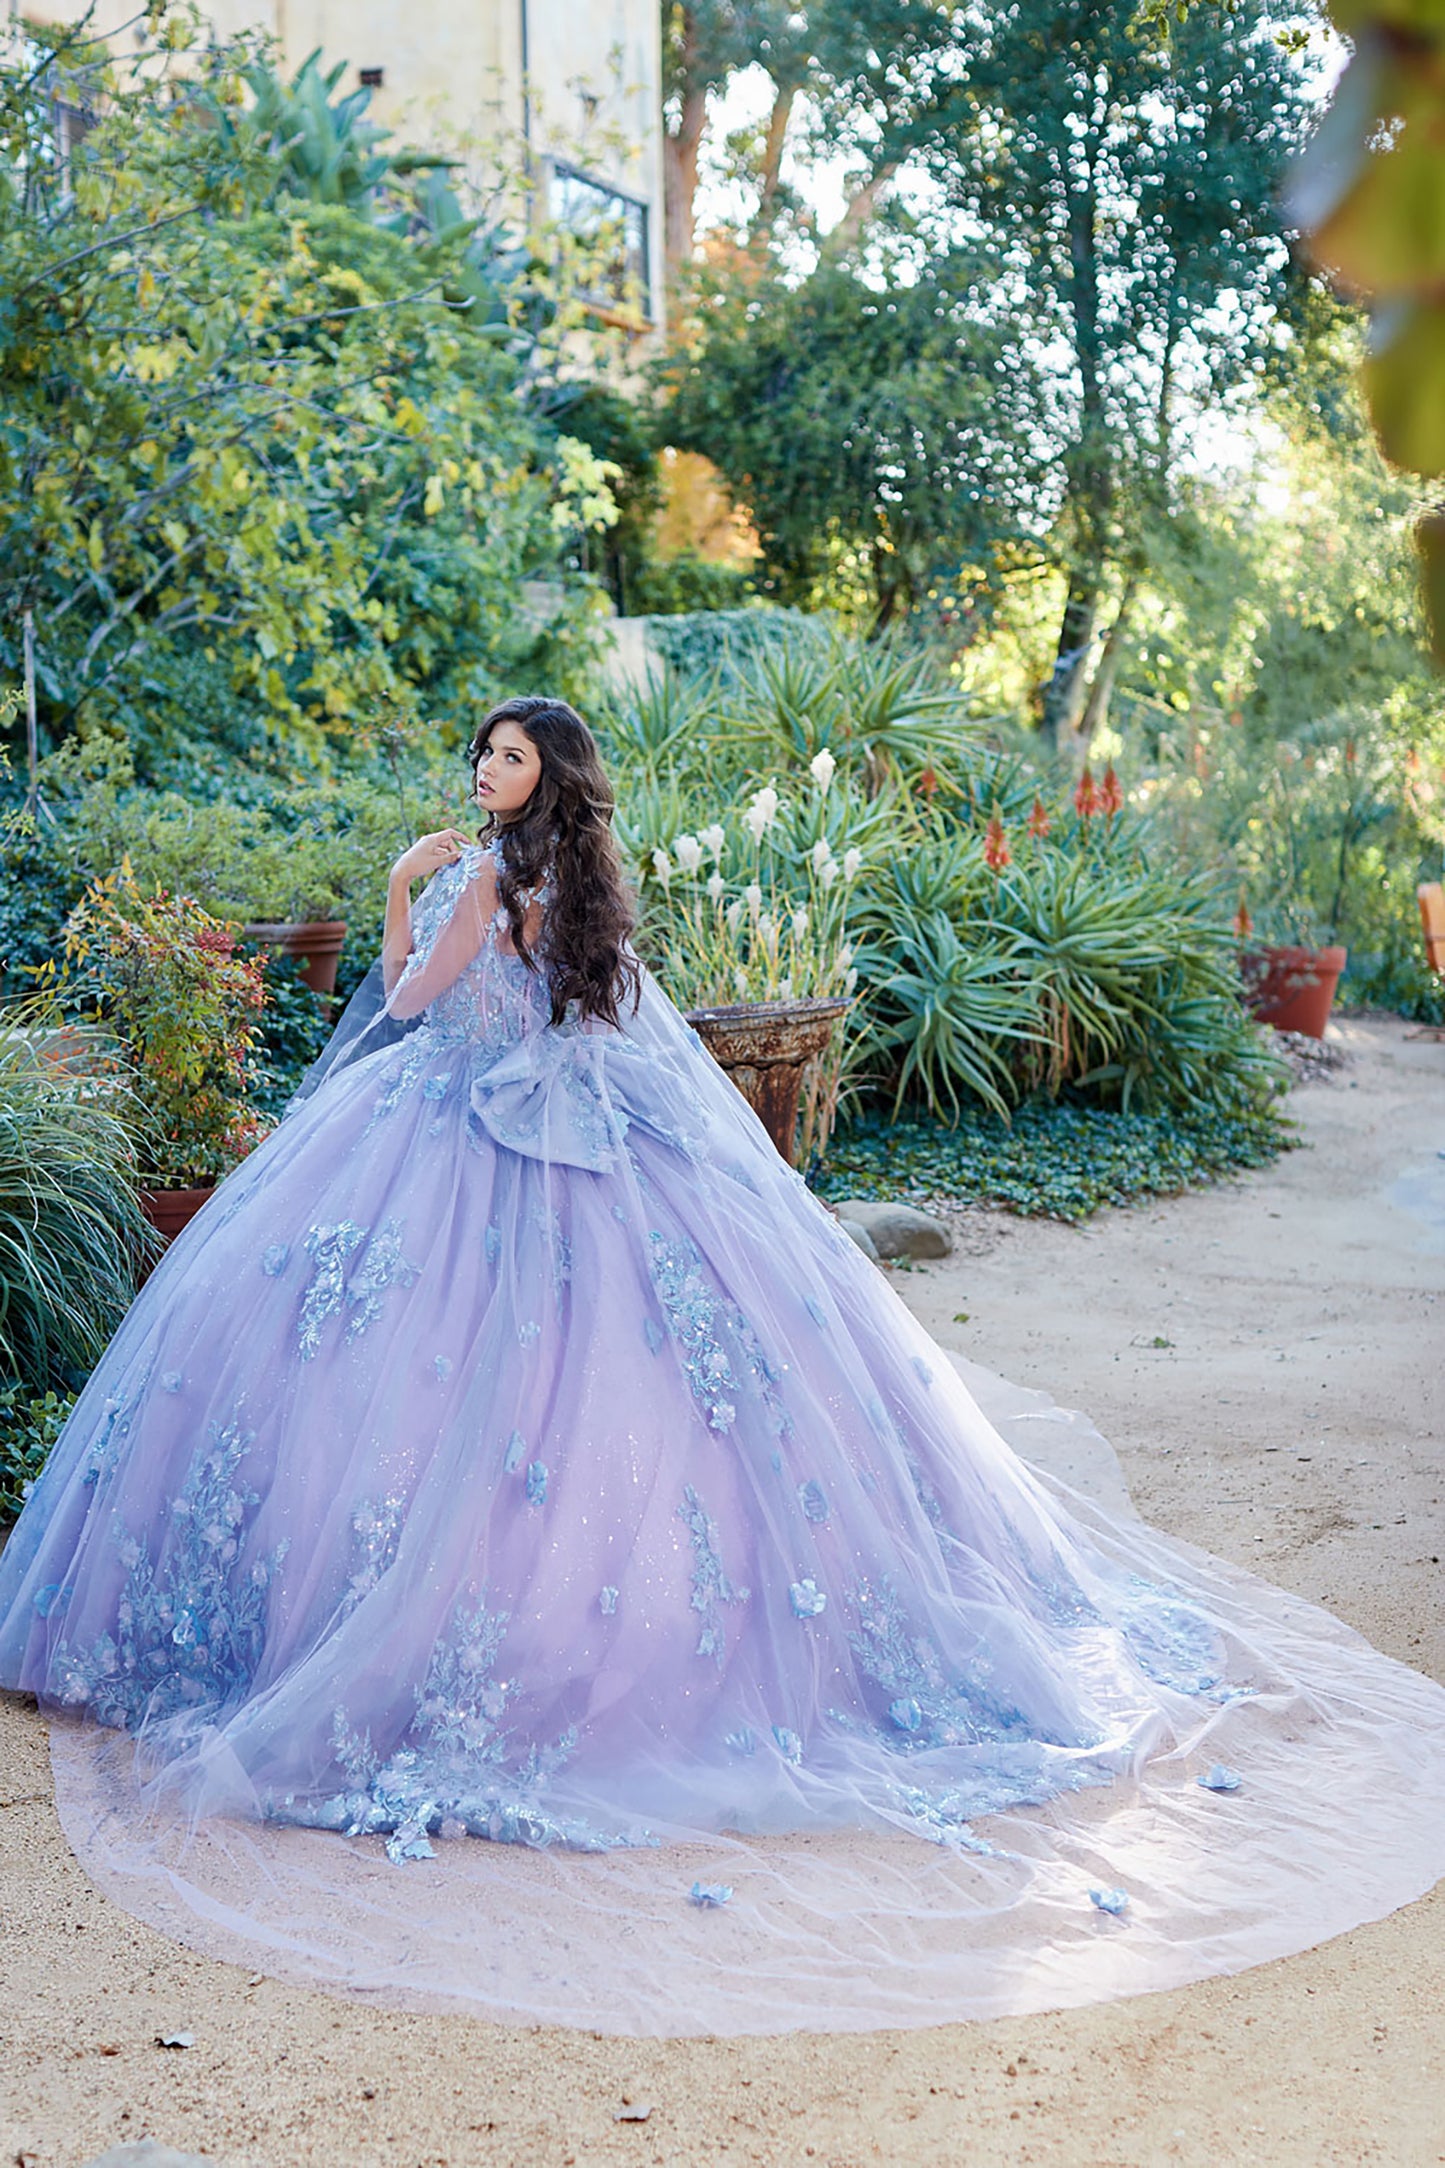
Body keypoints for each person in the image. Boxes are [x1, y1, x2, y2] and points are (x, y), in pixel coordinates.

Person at [2, 693, 1444, 2038]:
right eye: (483, 755)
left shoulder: (484, 882)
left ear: (544, 784)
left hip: (458, 1134)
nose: (483, 773)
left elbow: (411, 1004)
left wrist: (399, 887)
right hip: (581, 1134)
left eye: (507, 760)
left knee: (422, 1376)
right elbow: (603, 1026)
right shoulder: (583, 894)